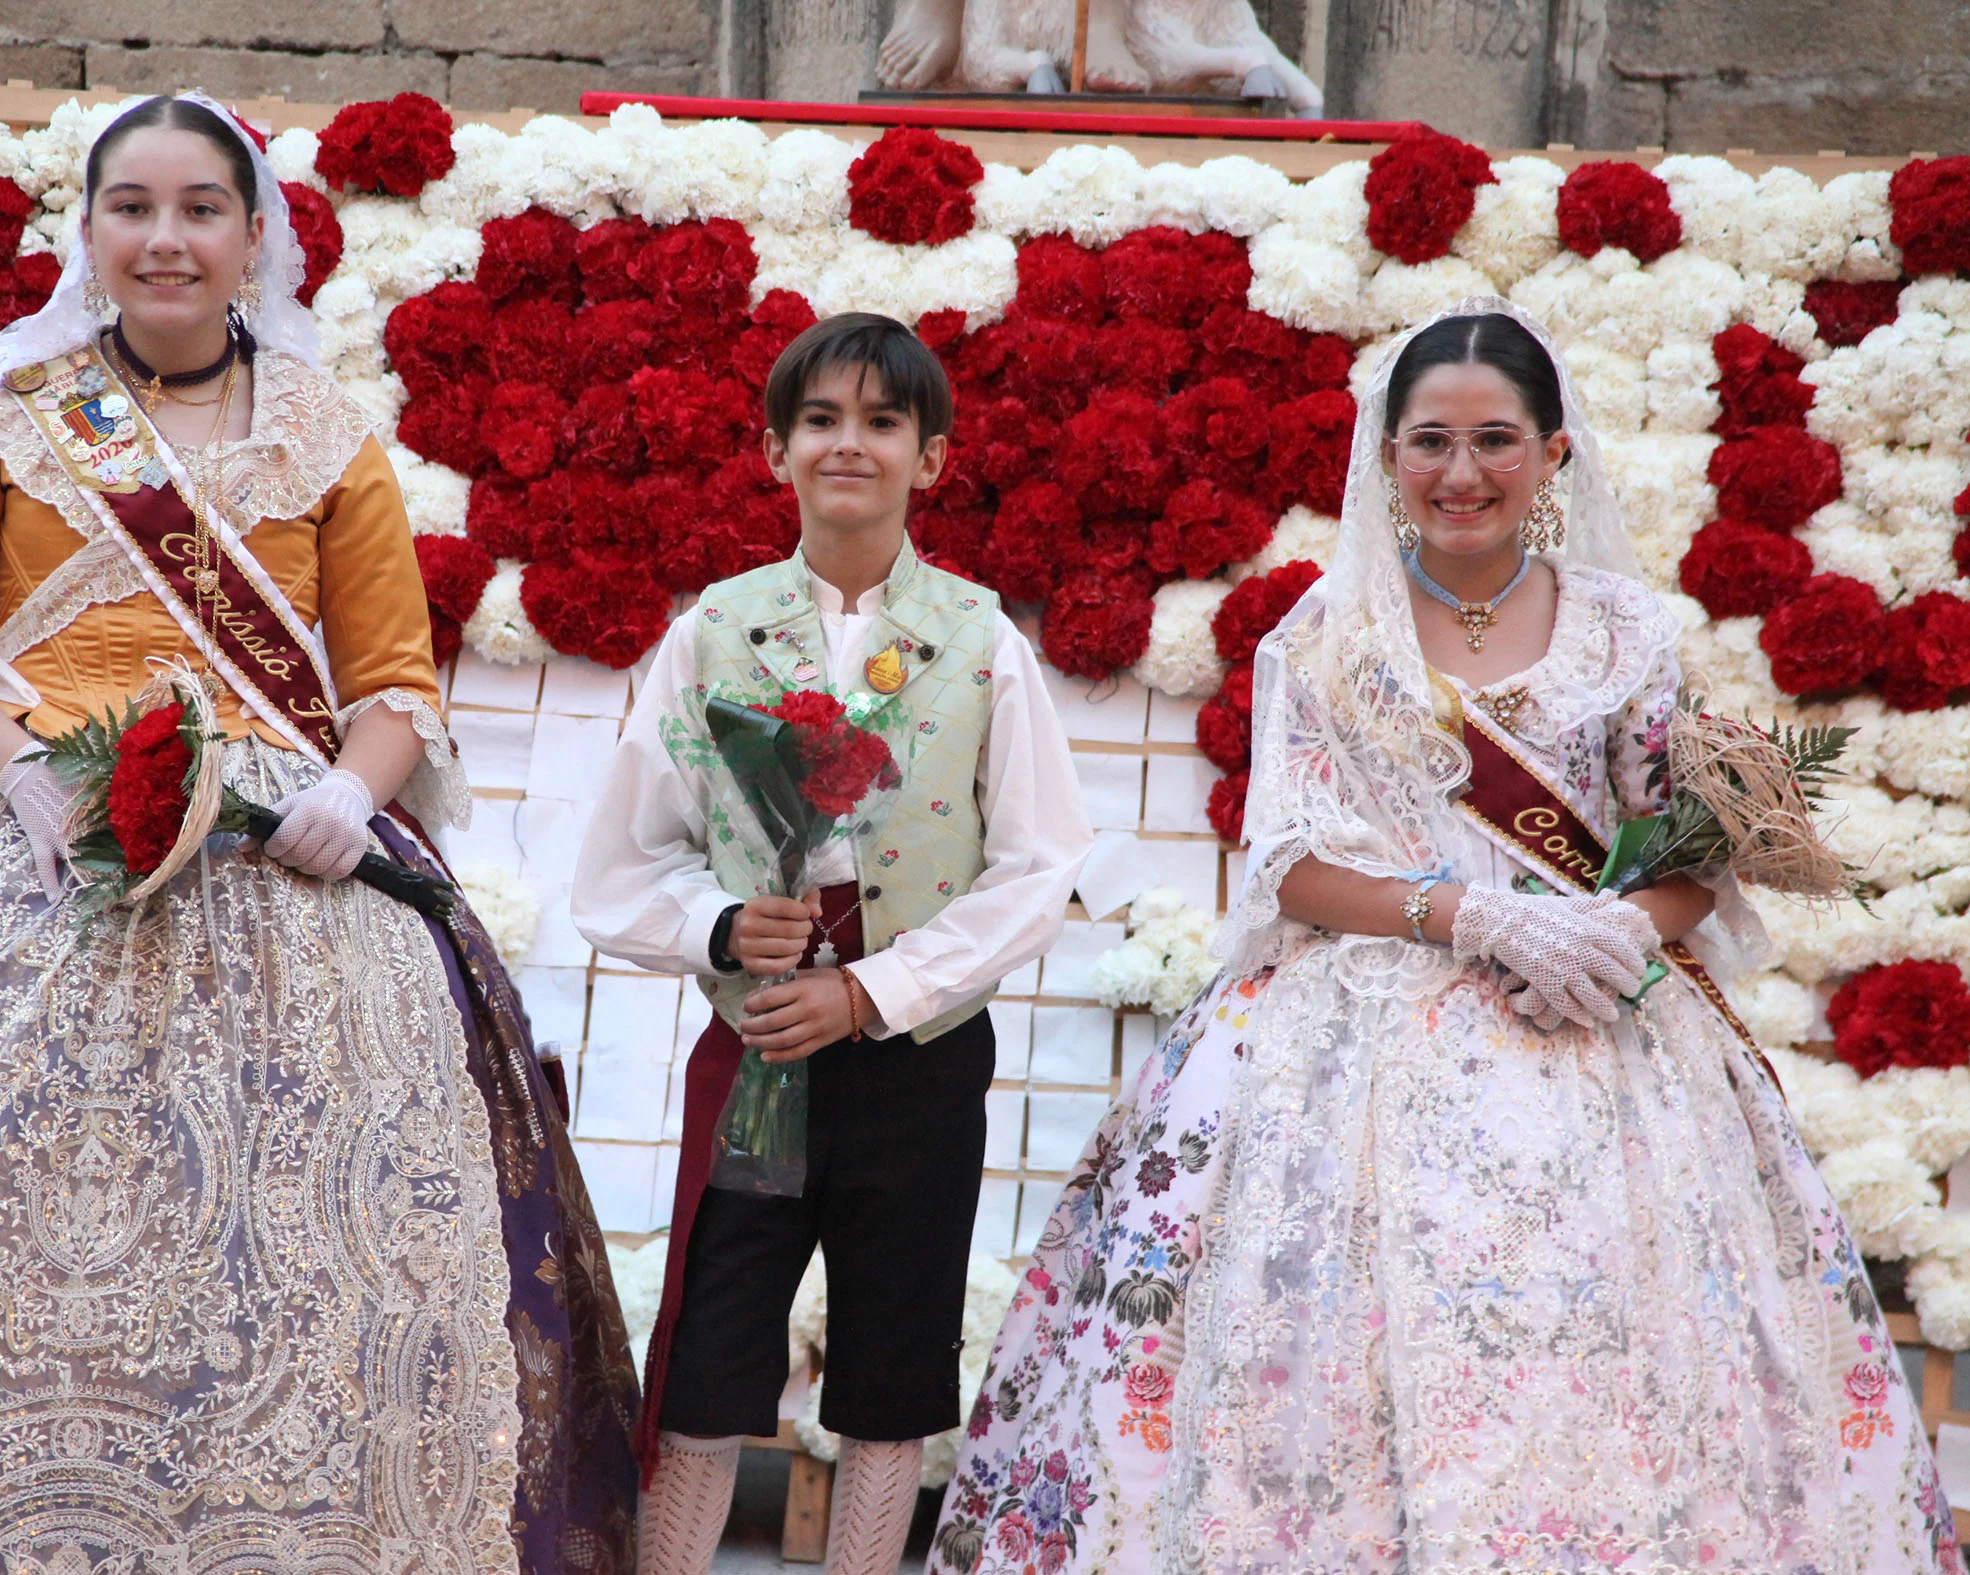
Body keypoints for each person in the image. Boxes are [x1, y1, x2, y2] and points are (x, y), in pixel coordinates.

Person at [0, 93, 637, 1574]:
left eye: (201, 208)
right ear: (85, 236)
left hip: (280, 846)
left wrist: (354, 788)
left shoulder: (323, 433)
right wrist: (28, 774)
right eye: (133, 207)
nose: (166, 238)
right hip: (14, 823)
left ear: (251, 239)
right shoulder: (8, 410)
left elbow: (395, 683)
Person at [931, 301, 1964, 1575]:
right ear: (1386, 456)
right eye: (1429, 442)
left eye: (1493, 440)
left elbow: (1693, 847)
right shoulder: (1323, 635)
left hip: (1604, 1038)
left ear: (1552, 454)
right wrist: (1471, 915)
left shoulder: (1624, 631)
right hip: (1347, 1040)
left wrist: (1609, 933)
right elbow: (1293, 866)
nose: (1460, 473)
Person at [572, 313, 1093, 1575]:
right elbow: (620, 862)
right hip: (756, 1045)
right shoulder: (714, 635)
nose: (846, 444)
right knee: (712, 1351)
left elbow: (1038, 863)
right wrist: (717, 926)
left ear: (934, 461)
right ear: (772, 451)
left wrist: (873, 992)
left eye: (880, 422)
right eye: (818, 420)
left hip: (915, 1054)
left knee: (895, 1359)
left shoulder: (980, 639)